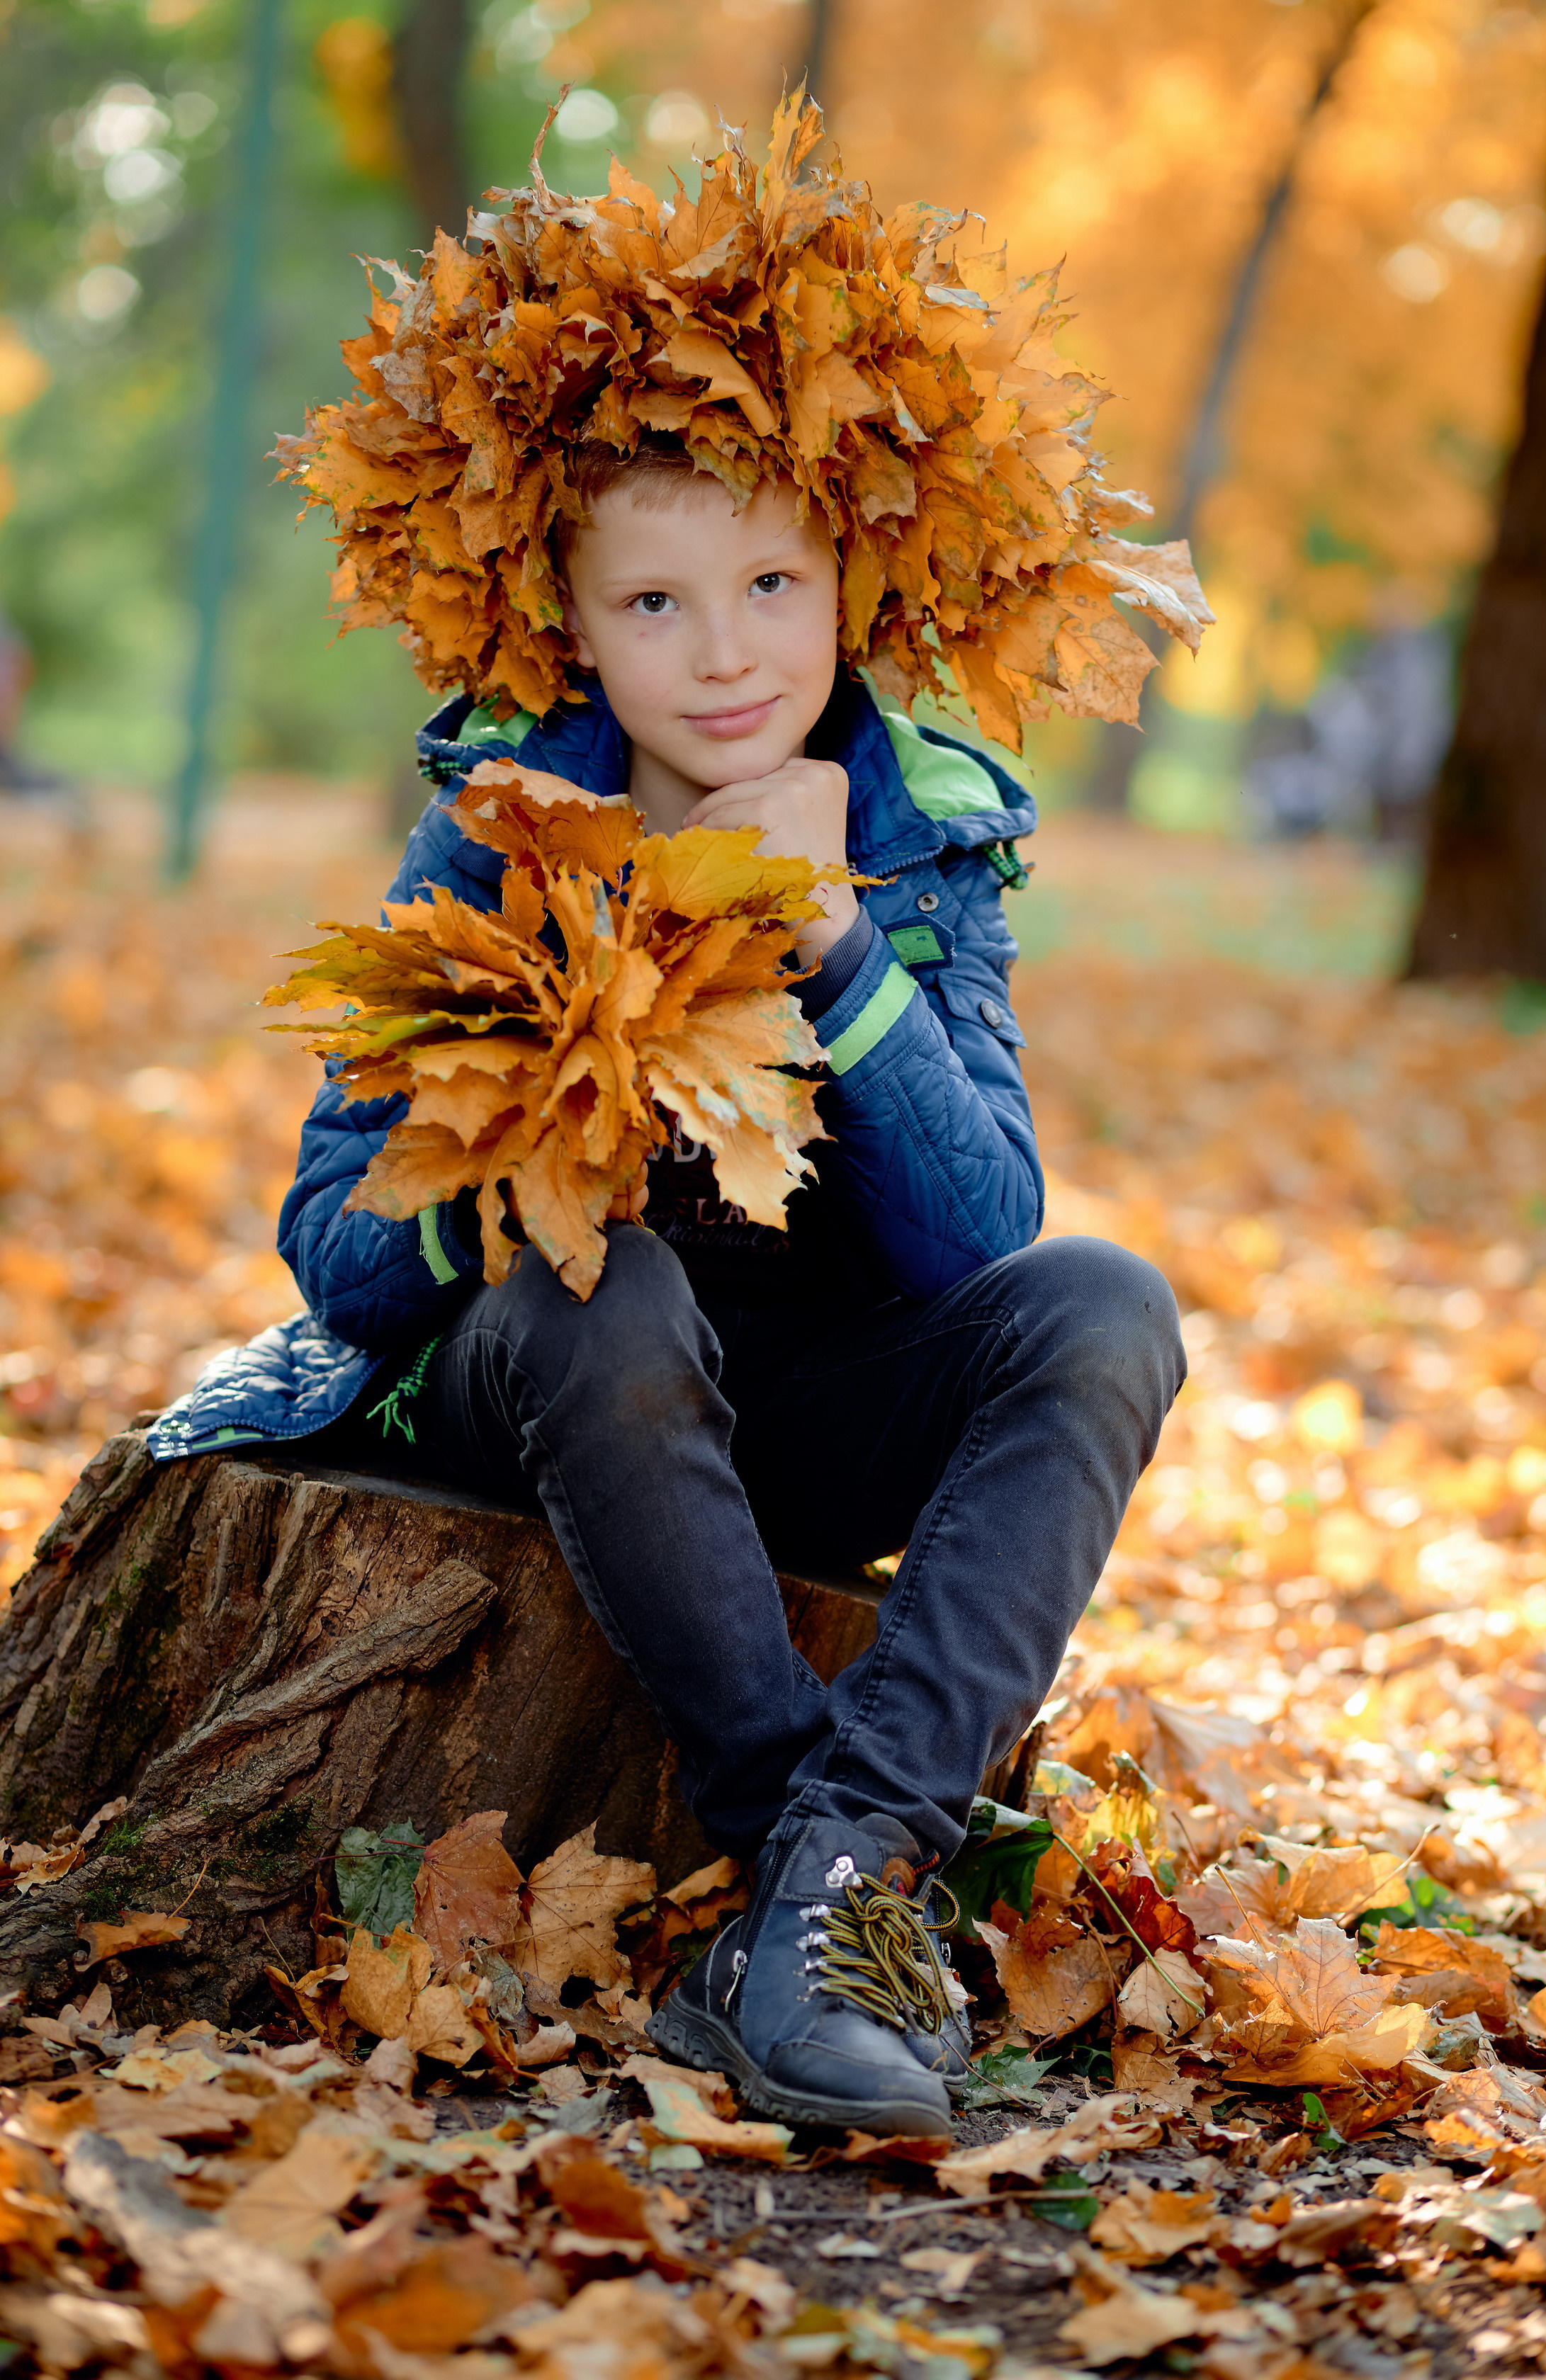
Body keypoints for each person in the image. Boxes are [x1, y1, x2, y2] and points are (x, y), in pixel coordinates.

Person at [150, 101, 1197, 2138]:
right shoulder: (502, 831)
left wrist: (835, 947)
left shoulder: (917, 844)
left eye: (772, 584)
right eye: (654, 605)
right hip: (549, 1377)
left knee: (1104, 1304)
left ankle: (839, 1884)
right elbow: (338, 1247)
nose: (724, 656)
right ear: (572, 617)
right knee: (605, 1289)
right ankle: (792, 1834)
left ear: (852, 584)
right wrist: (545, 1130)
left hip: (802, 1400)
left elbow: (979, 1230)